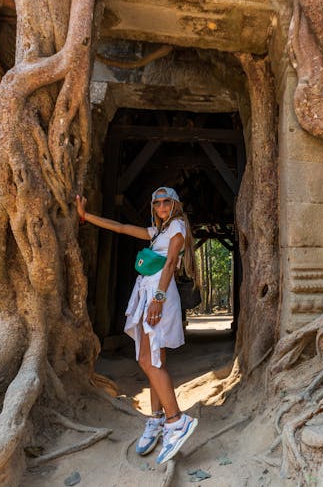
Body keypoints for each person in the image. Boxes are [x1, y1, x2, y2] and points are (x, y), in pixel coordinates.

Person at [76, 187, 198, 465]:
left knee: (146, 359)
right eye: (157, 202)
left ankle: (176, 421)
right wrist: (86, 216)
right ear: (154, 206)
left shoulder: (178, 227)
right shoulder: (156, 233)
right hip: (148, 291)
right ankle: (157, 419)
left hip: (158, 293)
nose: (162, 206)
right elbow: (120, 227)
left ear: (176, 204)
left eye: (167, 201)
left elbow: (169, 266)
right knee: (156, 358)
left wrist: (158, 299)